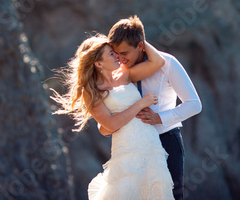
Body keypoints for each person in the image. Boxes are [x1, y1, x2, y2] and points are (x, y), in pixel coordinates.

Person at [51, 32, 174, 199]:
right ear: (99, 63)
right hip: (127, 148)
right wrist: (141, 104)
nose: (117, 56)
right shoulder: (92, 91)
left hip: (150, 144)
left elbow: (158, 62)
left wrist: (138, 38)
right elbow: (110, 125)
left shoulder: (125, 74)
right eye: (111, 53)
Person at [100, 15, 202, 199]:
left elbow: (194, 104)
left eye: (124, 53)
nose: (120, 59)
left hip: (166, 141)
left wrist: (159, 118)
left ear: (140, 46)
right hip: (132, 145)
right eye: (116, 54)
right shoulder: (119, 70)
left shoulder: (168, 64)